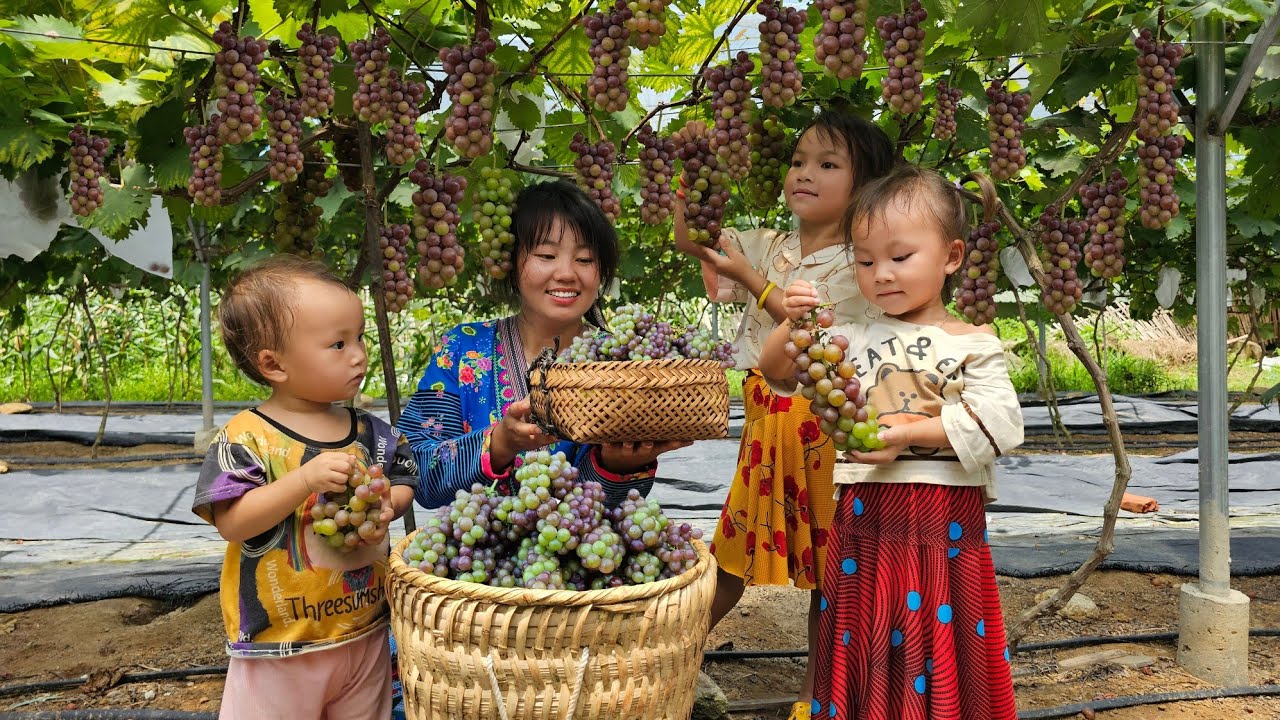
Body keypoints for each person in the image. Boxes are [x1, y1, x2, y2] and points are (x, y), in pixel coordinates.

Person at [758, 165, 1024, 720]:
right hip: (867, 523)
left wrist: (902, 436)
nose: (881, 274)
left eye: (900, 258)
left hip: (941, 525)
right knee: (871, 637)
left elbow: (1000, 423)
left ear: (951, 257)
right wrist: (793, 318)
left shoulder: (973, 342)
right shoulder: (851, 336)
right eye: (865, 260)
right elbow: (777, 368)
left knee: (937, 638)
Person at [675, 109, 895, 720]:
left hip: (822, 430)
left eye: (828, 165)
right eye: (798, 161)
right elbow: (695, 242)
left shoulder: (862, 264)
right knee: (731, 551)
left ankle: (813, 698)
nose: (804, 173)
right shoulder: (767, 244)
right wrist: (690, 174)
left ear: (865, 188)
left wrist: (751, 278)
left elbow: (809, 337)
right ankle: (668, 653)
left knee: (831, 568)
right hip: (765, 421)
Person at [192, 255, 418, 720]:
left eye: (359, 338)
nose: (358, 354)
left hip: (364, 631)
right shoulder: (246, 437)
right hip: (280, 645)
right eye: (337, 344)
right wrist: (302, 481)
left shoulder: (369, 431)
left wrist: (385, 507)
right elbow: (232, 522)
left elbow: (402, 482)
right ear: (273, 365)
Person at [397, 179, 690, 511]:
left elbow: (609, 511)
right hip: (470, 555)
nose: (566, 273)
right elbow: (415, 469)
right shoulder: (462, 350)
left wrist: (618, 464)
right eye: (546, 255)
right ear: (511, 260)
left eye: (584, 259)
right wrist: (499, 444)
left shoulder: (622, 364)